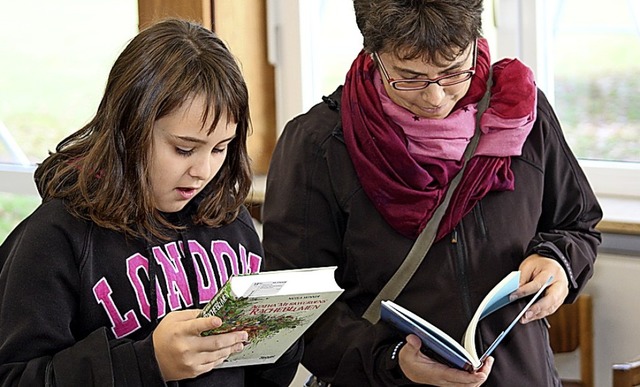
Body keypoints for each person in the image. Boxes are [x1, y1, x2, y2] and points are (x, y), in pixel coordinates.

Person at [261, 1, 602, 386]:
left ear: (477, 41)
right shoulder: (318, 144)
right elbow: (294, 307)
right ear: (373, 54)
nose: (435, 98)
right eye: (409, 77)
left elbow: (578, 223)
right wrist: (391, 361)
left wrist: (558, 263)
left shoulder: (522, 112)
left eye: (454, 71)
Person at [0, 18, 301, 386]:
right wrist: (146, 363)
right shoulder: (55, 238)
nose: (203, 170)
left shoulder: (229, 221)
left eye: (220, 148)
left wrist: (280, 341)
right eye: (184, 149)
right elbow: (14, 377)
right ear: (129, 129)